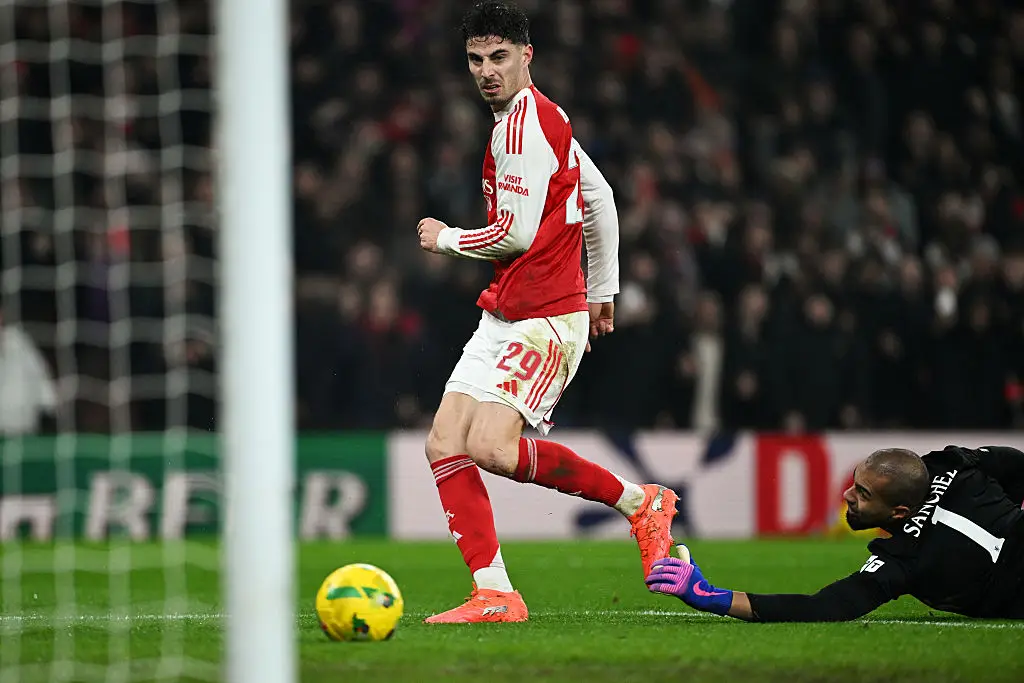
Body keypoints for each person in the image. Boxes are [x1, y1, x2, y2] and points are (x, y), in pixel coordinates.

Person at [415, 0, 678, 624]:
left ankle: (640, 503)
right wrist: (605, 289)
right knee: (443, 442)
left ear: (526, 55)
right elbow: (599, 197)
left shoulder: (521, 129)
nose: (486, 70)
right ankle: (495, 592)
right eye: (476, 59)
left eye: (499, 57)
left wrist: (445, 237)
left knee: (492, 448)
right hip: (510, 310)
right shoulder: (543, 115)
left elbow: (514, 234)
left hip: (546, 317)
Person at [646, 446, 1024, 621]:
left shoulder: (905, 559)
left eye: (863, 494)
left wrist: (711, 596)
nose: (847, 496)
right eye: (854, 483)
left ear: (899, 512)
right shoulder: (963, 470)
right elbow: (1011, 464)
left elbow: (826, 607)